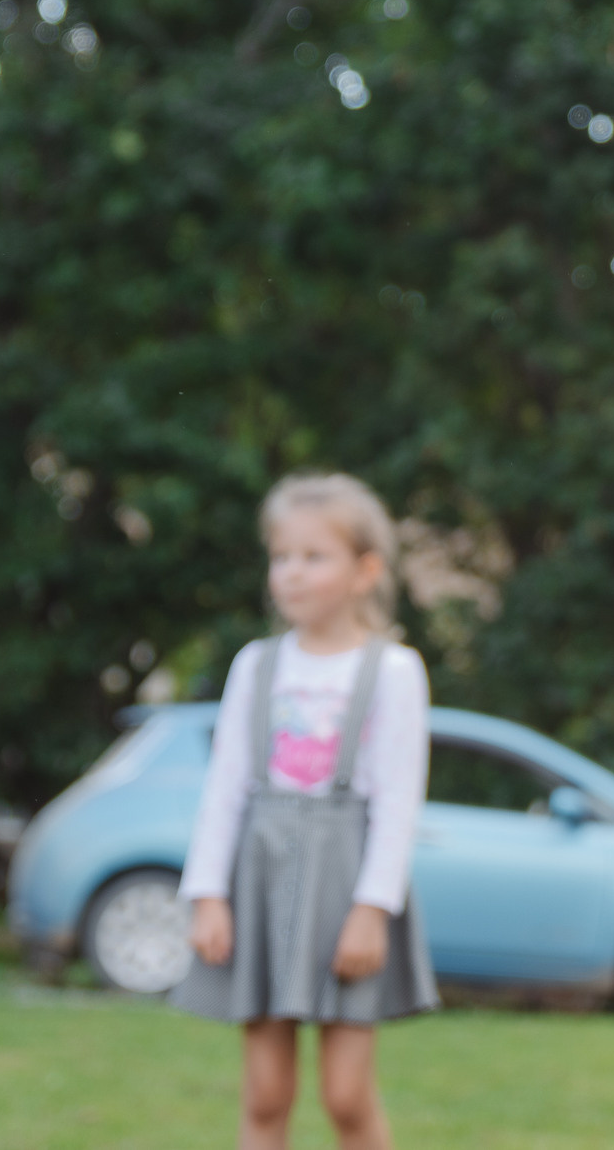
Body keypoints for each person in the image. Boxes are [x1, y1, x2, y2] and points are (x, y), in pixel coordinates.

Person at [175, 472, 437, 1150]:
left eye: (314, 556)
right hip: (260, 883)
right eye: (281, 555)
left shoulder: (395, 670)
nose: (291, 572)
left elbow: (398, 799)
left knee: (346, 1098)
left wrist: (371, 909)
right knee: (265, 1096)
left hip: (345, 887)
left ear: (364, 570)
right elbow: (226, 786)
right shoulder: (255, 664)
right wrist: (207, 894)